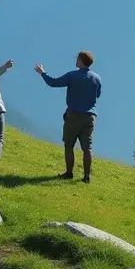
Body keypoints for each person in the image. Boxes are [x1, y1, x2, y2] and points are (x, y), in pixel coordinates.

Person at [34, 51, 102, 183]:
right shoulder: (97, 78)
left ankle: (69, 173)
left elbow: (53, 83)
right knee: (87, 148)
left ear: (81, 61)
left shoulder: (73, 75)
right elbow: (97, 95)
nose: (75, 59)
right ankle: (87, 176)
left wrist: (42, 73)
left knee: (69, 145)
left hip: (74, 115)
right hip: (90, 116)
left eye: (77, 58)